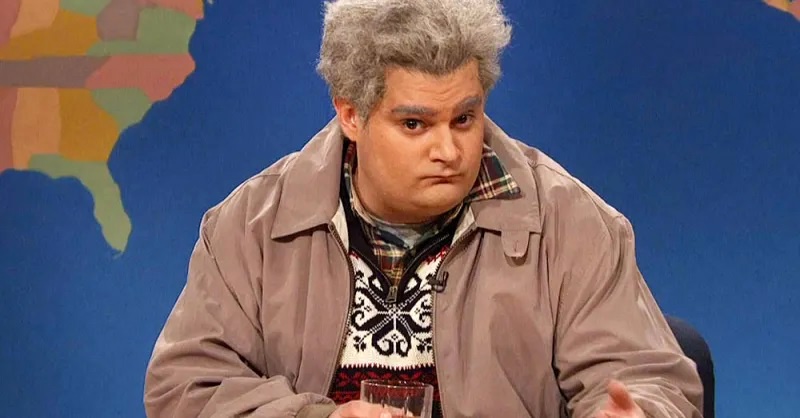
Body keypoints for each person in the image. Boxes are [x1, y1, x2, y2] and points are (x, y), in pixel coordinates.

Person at [143, 1, 704, 417]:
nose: (449, 151)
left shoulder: (571, 224)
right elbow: (186, 387)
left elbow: (649, 380)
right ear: (351, 115)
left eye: (464, 118)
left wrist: (641, 414)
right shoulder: (250, 227)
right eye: (415, 124)